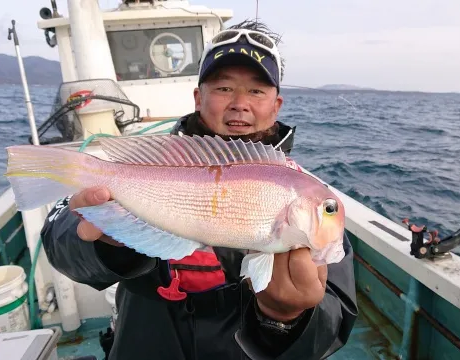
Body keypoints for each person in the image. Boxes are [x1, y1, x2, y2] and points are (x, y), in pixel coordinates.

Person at [40, 20, 358, 360]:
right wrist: (111, 246)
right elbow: (60, 242)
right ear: (198, 97)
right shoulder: (150, 164)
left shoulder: (302, 188)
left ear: (276, 105)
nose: (239, 103)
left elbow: (334, 318)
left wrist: (285, 320)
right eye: (223, 88)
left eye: (256, 90)